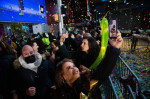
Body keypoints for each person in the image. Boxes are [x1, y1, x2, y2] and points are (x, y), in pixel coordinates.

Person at [54, 30, 123, 99]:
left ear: (91, 45)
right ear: (62, 77)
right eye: (69, 68)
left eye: (74, 66)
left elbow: (102, 72)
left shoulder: (86, 85)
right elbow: (69, 55)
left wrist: (115, 48)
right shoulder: (61, 94)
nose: (75, 68)